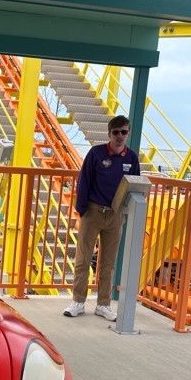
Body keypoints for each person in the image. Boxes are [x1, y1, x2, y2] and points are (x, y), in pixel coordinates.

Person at [64, 115, 140, 320]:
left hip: (115, 216)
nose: (120, 136)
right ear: (109, 134)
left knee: (108, 262)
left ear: (128, 134)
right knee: (83, 259)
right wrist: (83, 210)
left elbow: (135, 185)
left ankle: (103, 304)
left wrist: (124, 211)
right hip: (93, 212)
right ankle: (78, 301)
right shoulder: (96, 154)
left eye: (124, 132)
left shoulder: (132, 158)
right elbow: (84, 181)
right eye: (115, 132)